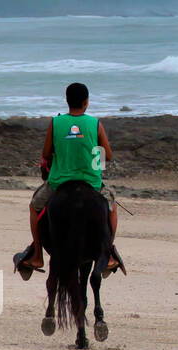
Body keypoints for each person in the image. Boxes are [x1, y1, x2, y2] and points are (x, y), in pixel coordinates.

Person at [19, 82, 121, 275]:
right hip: (91, 182)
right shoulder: (95, 124)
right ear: (86, 102)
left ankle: (38, 255)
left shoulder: (55, 123)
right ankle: (107, 254)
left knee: (34, 206)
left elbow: (46, 153)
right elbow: (107, 155)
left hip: (59, 182)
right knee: (112, 208)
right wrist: (91, 158)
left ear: (67, 101)